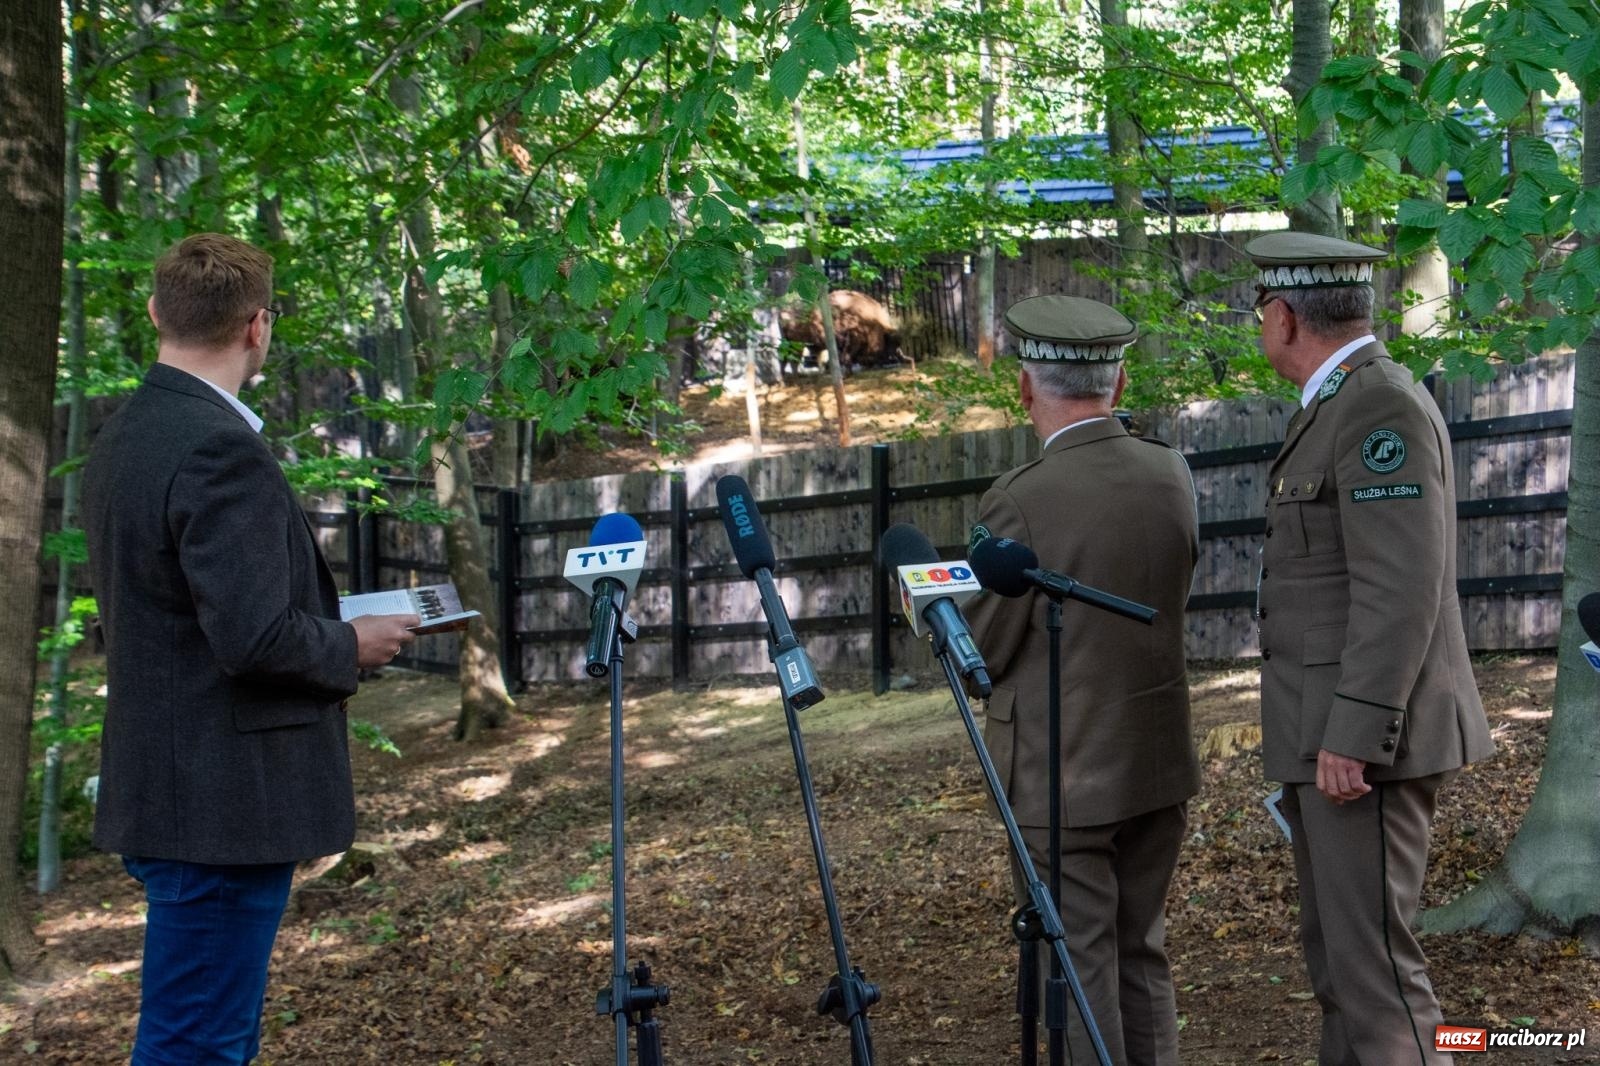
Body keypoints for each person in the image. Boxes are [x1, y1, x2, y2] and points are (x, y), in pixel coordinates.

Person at [82, 233, 420, 1065]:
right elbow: (253, 635)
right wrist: (353, 643)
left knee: (197, 1036)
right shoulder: (216, 445)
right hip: (218, 807)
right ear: (258, 328)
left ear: (158, 312)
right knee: (196, 1047)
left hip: (169, 790)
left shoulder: (124, 435)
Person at [1245, 231, 1494, 1065]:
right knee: (1344, 971)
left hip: (1361, 748)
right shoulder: (1340, 403)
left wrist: (1354, 732)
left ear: (1282, 318)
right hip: (1330, 737)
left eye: (1259, 315)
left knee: (1378, 980)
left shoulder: (1375, 403)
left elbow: (1401, 587)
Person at [964, 295, 1201, 1066]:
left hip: (1061, 775)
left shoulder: (1023, 497)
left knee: (1079, 962)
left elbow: (983, 648)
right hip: (1156, 759)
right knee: (1142, 952)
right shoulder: (1171, 471)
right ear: (1120, 382)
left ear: (1026, 388)